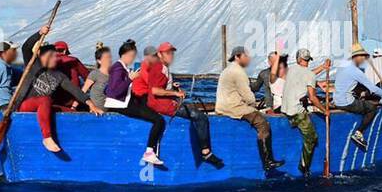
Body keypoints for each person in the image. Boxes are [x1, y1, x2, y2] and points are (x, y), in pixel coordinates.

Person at [133, 42, 224, 168]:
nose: (171, 55)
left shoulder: (163, 67)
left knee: (193, 108)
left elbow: (161, 86)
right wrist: (175, 94)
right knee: (199, 116)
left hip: (162, 101)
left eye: (172, 53)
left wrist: (173, 88)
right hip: (161, 104)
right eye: (168, 53)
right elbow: (154, 90)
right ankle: (206, 152)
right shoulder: (158, 67)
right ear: (159, 54)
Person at [216, 45, 285, 173]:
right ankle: (268, 161)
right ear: (237, 57)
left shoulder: (227, 70)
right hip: (234, 107)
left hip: (222, 105)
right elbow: (248, 96)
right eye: (245, 56)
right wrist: (252, 107)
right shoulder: (239, 72)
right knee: (262, 123)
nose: (248, 59)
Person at [15, 41, 89, 153]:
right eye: (54, 55)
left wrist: (89, 103)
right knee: (45, 99)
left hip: (44, 107)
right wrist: (40, 33)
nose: (58, 58)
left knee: (72, 112)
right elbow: (26, 47)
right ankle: (47, 137)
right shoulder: (34, 66)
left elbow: (75, 90)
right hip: (26, 106)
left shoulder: (59, 76)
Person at [106, 39, 165, 165]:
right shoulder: (118, 68)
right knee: (158, 120)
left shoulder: (122, 68)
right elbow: (115, 91)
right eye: (132, 56)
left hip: (124, 102)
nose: (133, 59)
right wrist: (130, 79)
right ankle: (149, 152)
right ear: (125, 55)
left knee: (149, 105)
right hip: (118, 105)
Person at [280, 49, 331, 176]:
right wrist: (324, 110)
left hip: (285, 109)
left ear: (298, 59)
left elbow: (308, 74)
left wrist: (323, 67)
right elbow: (313, 98)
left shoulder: (291, 70)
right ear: (308, 60)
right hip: (297, 113)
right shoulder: (309, 75)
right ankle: (304, 166)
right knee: (312, 138)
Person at [332, 42, 382, 150]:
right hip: (346, 103)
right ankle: (359, 133)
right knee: (371, 108)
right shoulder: (355, 71)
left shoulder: (343, 66)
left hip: (335, 100)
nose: (363, 59)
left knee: (359, 92)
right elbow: (373, 89)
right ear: (356, 57)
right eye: (362, 57)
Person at [81, 42, 111, 114]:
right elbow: (83, 91)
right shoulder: (95, 74)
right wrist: (74, 106)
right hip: (95, 112)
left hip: (110, 112)